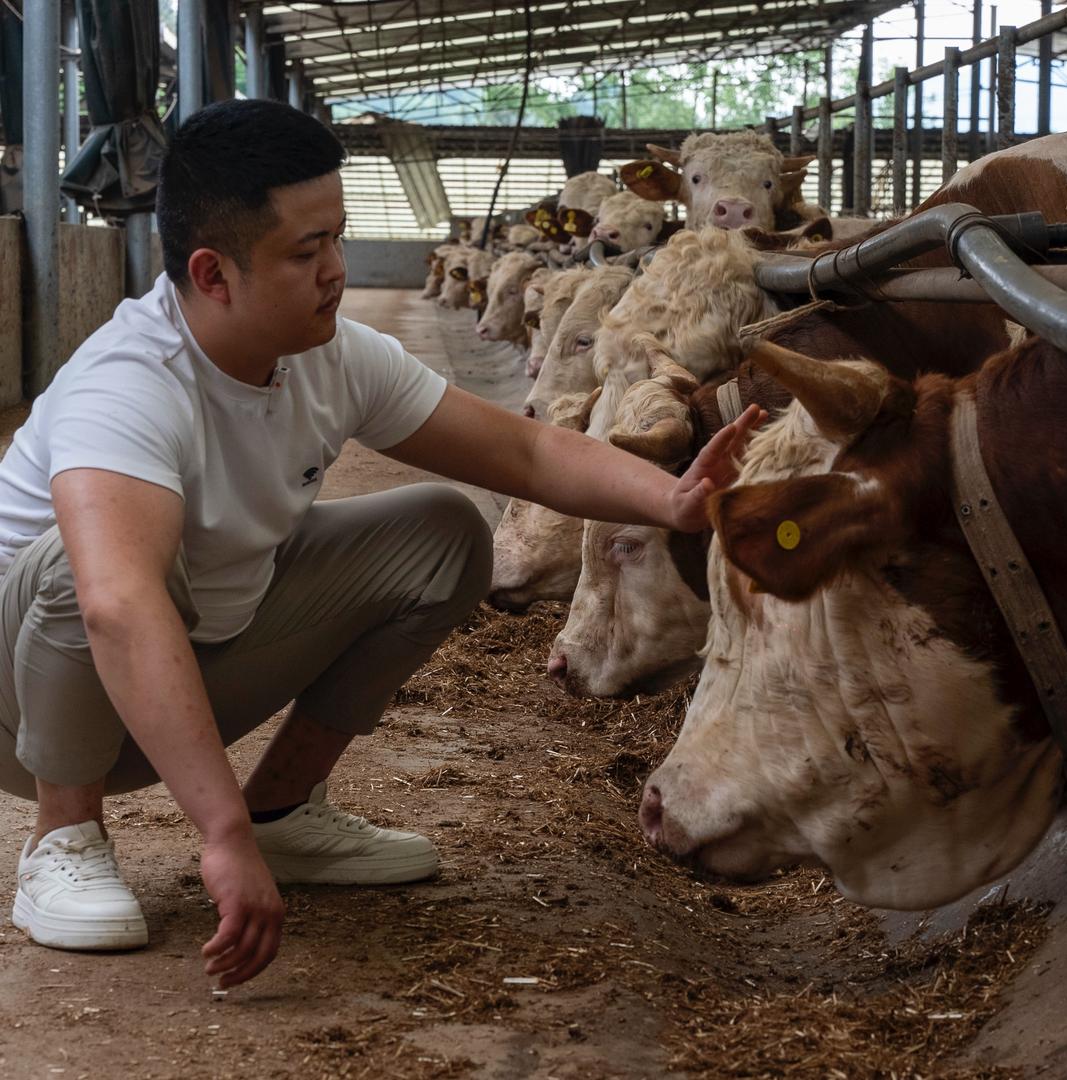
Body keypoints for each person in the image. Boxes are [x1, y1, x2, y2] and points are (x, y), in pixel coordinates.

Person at [0, 99, 761, 988]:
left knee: (440, 531)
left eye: (338, 237)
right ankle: (65, 838)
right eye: (305, 250)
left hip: (180, 663)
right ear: (213, 274)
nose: (336, 269)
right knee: (87, 564)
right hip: (24, 706)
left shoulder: (327, 354)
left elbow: (523, 449)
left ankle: (284, 810)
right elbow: (117, 609)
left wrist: (671, 499)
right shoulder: (129, 387)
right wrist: (219, 838)